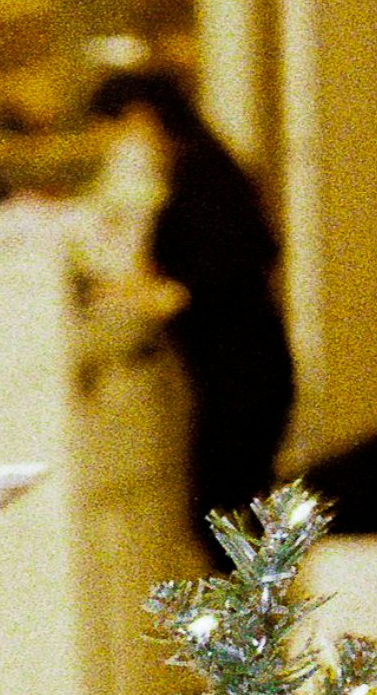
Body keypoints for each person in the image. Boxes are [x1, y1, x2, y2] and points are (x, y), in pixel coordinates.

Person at [88, 70, 296, 551]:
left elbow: (242, 256)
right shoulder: (201, 167)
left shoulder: (201, 173)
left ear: (140, 117)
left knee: (224, 513)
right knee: (232, 511)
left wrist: (180, 293)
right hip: (244, 365)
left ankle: (253, 622)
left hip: (242, 369)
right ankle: (256, 619)